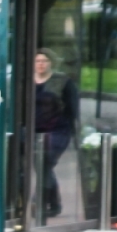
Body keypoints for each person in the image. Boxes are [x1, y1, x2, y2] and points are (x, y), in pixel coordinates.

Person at [33, 49, 79, 219]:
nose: (40, 64)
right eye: (37, 61)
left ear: (51, 62)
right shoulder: (25, 81)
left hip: (57, 130)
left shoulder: (63, 82)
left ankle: (40, 200)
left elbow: (72, 109)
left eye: (44, 61)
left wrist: (72, 130)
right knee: (42, 166)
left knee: (45, 162)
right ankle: (52, 203)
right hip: (34, 131)